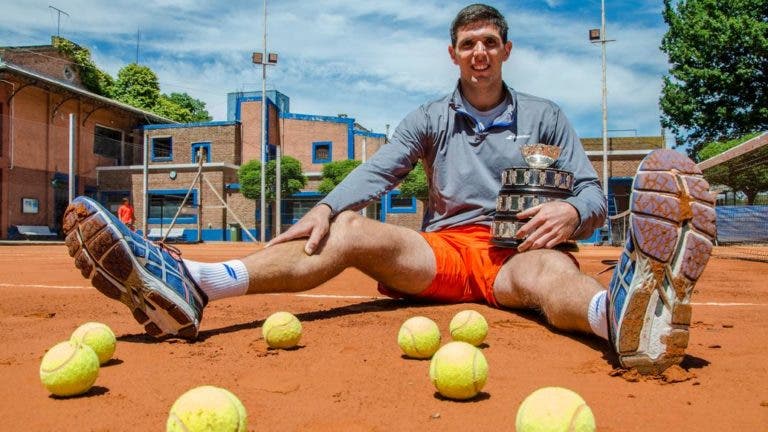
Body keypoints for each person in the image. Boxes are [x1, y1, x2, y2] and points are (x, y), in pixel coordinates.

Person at [61, 4, 715, 374]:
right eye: (468, 44)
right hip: (443, 253)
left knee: (549, 275)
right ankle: (199, 283)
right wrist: (325, 204)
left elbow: (598, 195)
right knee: (345, 230)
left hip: (519, 252)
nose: (480, 53)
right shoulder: (431, 117)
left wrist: (570, 208)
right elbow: (380, 172)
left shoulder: (545, 116)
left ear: (505, 51)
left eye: (490, 42)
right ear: (456, 55)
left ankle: (628, 319)